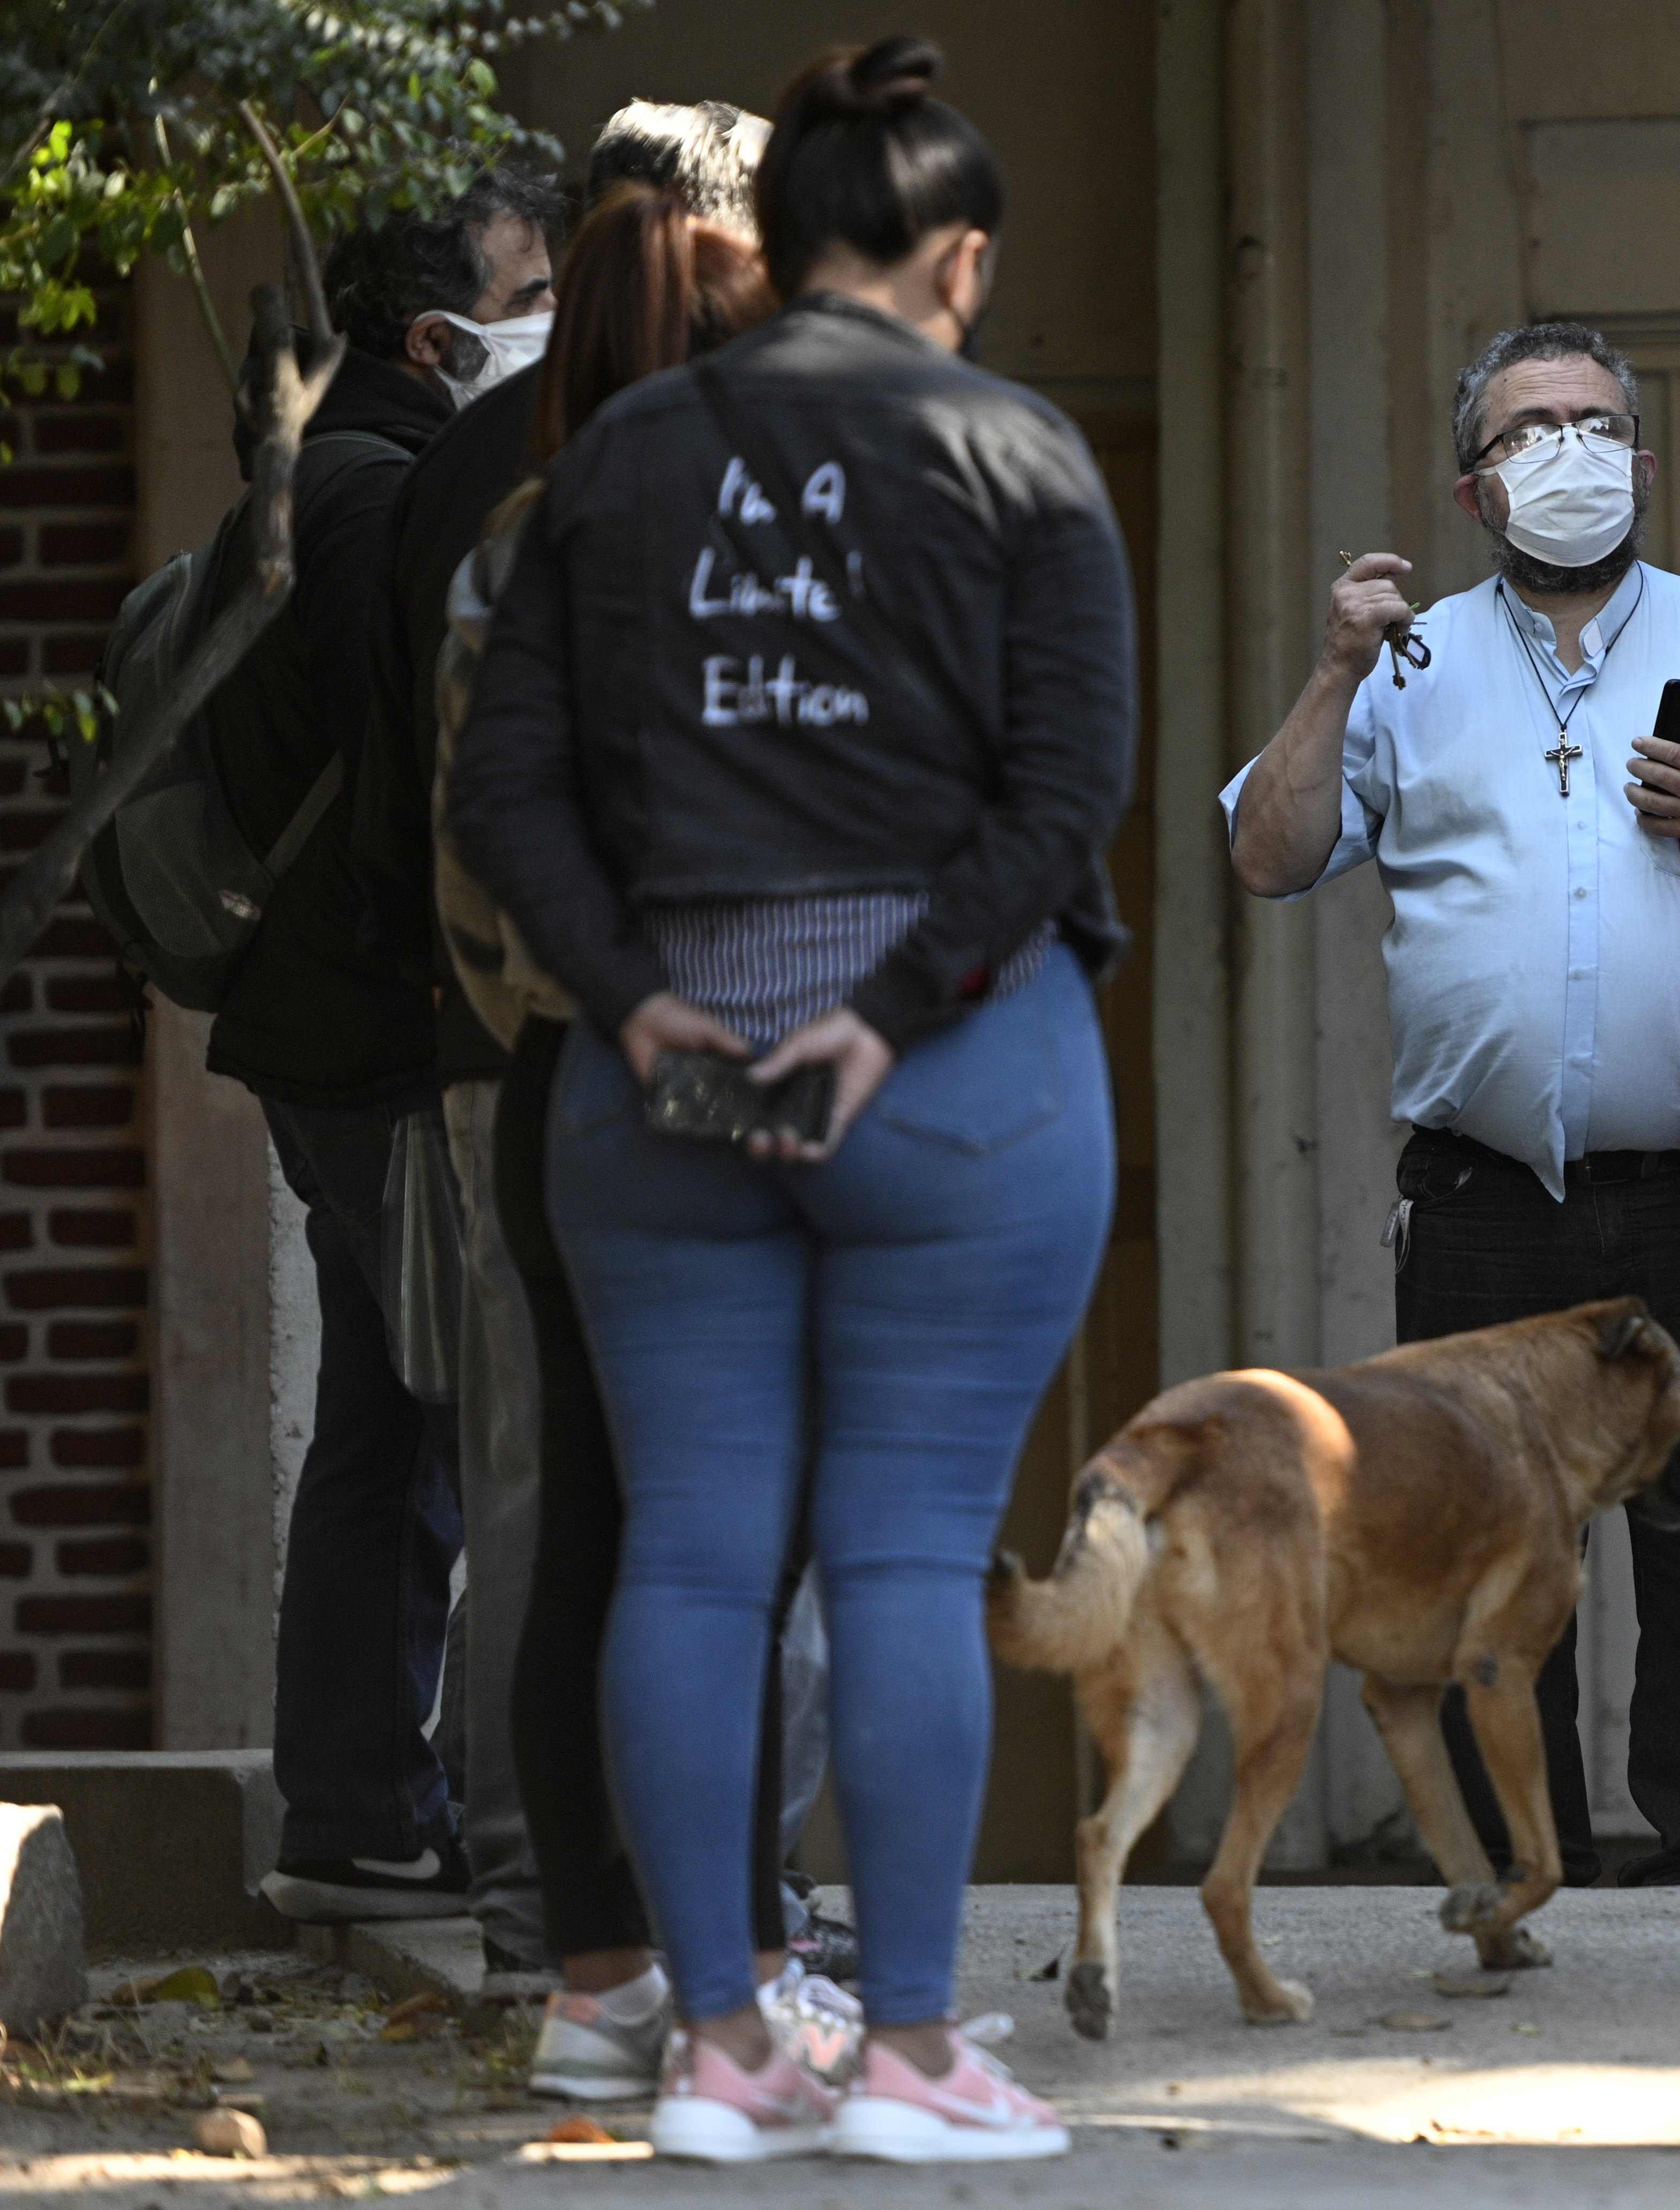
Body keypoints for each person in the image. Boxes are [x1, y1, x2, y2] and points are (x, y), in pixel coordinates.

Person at [451, 35, 1132, 2161]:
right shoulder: (1013, 447)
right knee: (913, 1553)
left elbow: (505, 787)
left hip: (656, 1091)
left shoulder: (619, 462)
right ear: (953, 256)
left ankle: (718, 2043)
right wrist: (895, 995)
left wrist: (647, 1000)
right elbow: (1064, 789)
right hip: (956, 1076)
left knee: (685, 1554)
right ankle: (916, 2050)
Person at [1221, 321, 1680, 1892]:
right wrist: (1333, 669)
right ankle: (1506, 1874)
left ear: (1641, 459)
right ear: (1478, 490)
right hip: (1487, 1210)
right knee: (1488, 1555)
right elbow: (1267, 855)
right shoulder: (1408, 665)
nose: (1569, 451)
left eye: (1595, 424)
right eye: (1529, 429)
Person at [384, 98, 844, 1999]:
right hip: (725, 1076)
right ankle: (744, 1946)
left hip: (557, 1078)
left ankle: (584, 1968)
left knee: (575, 1521)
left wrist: (567, 1026)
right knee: (741, 1534)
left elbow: (467, 843)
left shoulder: (506, 507)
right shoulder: (776, 505)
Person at [208, 170, 561, 1926]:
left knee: (385, 1407)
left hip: (316, 1029)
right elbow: (409, 781)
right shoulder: (391, 492)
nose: (559, 313)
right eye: (535, 288)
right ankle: (401, 1803)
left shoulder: (320, 475)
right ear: (442, 337)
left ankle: (353, 1800)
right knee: (454, 1422)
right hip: (377, 1036)